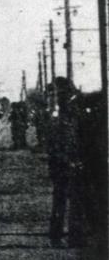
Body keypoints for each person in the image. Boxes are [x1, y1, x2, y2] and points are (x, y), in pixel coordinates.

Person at [47, 77, 84, 247]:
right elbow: (58, 142)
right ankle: (69, 237)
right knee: (70, 200)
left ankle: (60, 236)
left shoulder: (59, 113)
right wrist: (70, 160)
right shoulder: (62, 115)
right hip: (64, 163)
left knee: (62, 200)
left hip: (61, 163)